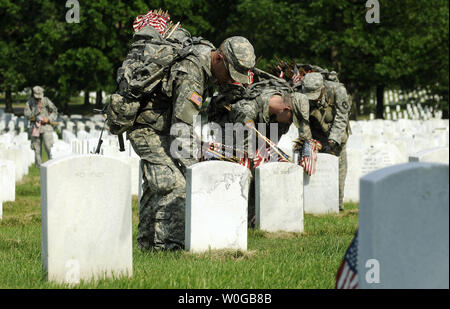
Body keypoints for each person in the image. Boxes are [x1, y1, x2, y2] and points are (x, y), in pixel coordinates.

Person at [126, 31, 256, 251]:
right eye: (231, 73)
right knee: (177, 185)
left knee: (154, 185)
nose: (232, 80)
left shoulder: (205, 64)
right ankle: (169, 247)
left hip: (160, 127)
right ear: (219, 58)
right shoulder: (193, 72)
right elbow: (181, 128)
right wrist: (196, 170)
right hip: (147, 129)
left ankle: (147, 245)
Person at [227, 77, 313, 225]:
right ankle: (239, 218)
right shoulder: (248, 110)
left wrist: (307, 151)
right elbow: (245, 154)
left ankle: (254, 217)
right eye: (291, 119)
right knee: (247, 173)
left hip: (257, 143)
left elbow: (303, 131)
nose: (290, 123)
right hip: (231, 142)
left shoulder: (284, 107)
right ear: (286, 109)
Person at [300, 72, 351, 211]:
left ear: (322, 89)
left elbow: (342, 117)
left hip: (336, 138)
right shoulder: (301, 93)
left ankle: (338, 206)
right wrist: (308, 142)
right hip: (316, 136)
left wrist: (333, 140)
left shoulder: (338, 91)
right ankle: (312, 206)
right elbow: (302, 120)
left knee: (339, 175)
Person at [24, 86, 58, 168]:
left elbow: (55, 111)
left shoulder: (46, 100)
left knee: (49, 146)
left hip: (46, 127)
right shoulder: (29, 102)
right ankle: (38, 167)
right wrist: (36, 110)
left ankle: (52, 165)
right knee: (36, 149)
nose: (38, 98)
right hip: (35, 127)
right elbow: (27, 115)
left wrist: (49, 119)